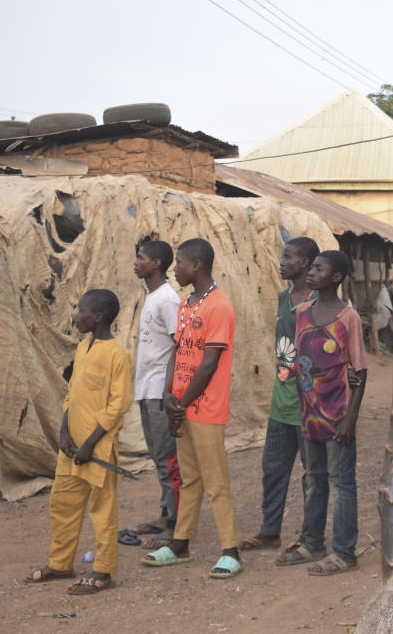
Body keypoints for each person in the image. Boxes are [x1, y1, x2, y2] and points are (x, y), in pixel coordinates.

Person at [143, 238, 242, 579]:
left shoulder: (220, 306)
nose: (175, 269)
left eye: (179, 263)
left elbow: (209, 363)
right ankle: (181, 543)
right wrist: (169, 393)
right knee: (189, 479)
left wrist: (180, 404)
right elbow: (178, 351)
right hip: (181, 406)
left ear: (196, 265)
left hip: (205, 409)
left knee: (215, 481)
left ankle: (231, 551)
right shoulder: (186, 305)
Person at [26, 289, 133, 594]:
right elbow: (71, 394)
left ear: (97, 317)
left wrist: (90, 444)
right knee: (63, 504)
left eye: (80, 310)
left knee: (102, 510)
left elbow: (118, 405)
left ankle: (102, 572)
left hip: (97, 449)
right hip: (72, 447)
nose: (75, 315)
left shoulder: (117, 354)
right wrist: (64, 432)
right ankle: (60, 564)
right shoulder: (84, 347)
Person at [280, 250, 367, 575]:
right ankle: (313, 542)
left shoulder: (348, 318)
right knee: (313, 478)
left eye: (319, 268)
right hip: (309, 415)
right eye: (312, 266)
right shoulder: (302, 312)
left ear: (337, 277)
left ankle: (345, 552)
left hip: (337, 415)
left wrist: (350, 418)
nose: (312, 272)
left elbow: (360, 371)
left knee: (341, 481)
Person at [240, 236, 320, 551]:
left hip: (309, 403)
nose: (282, 262)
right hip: (281, 400)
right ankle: (269, 530)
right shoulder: (282, 297)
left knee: (312, 474)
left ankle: (309, 537)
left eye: (288, 257)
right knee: (273, 470)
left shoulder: (317, 303)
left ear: (306, 264)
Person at [130, 240, 182, 549]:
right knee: (160, 458)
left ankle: (175, 526)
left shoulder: (167, 299)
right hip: (147, 389)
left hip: (161, 392)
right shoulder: (152, 298)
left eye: (142, 258)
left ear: (157, 264)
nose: (137, 263)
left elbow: (180, 345)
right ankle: (166, 515)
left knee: (169, 459)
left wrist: (169, 389)